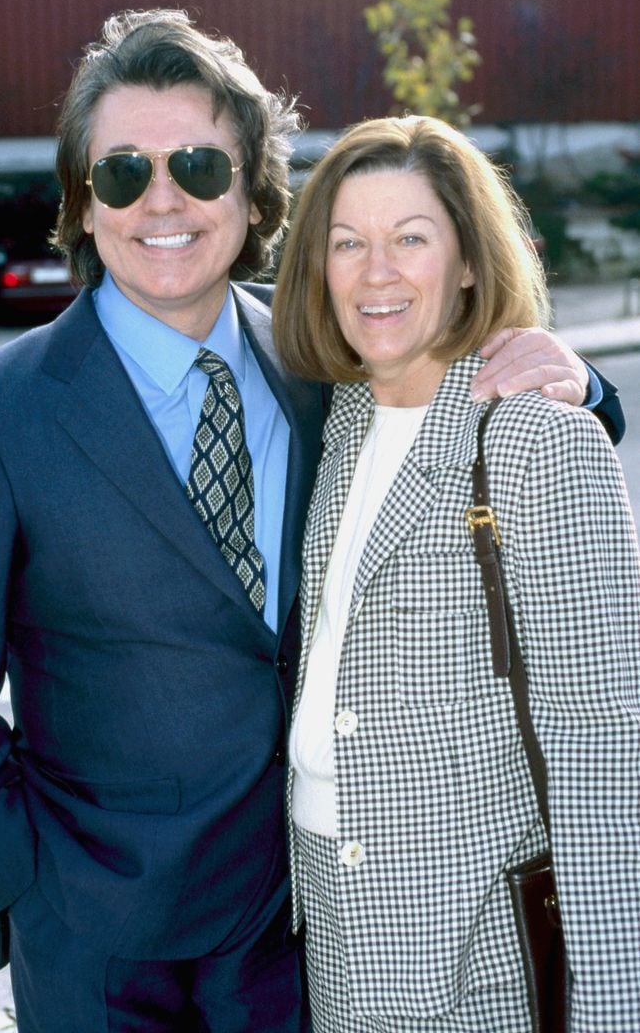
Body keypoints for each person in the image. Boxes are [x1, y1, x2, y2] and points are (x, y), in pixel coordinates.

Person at [0, 13, 624, 1033]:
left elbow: (465, 411)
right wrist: (30, 889)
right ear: (83, 207)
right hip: (103, 956)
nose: (163, 199)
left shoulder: (323, 363)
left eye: (196, 164)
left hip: (301, 931)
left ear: (253, 190)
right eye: (123, 173)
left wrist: (583, 389)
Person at [271, 114, 640, 1033]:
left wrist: (609, 1010)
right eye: (348, 243)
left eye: (411, 239)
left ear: (470, 261)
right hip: (331, 931)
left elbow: (606, 758)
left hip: (474, 958)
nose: (376, 270)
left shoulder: (536, 440)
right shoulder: (339, 423)